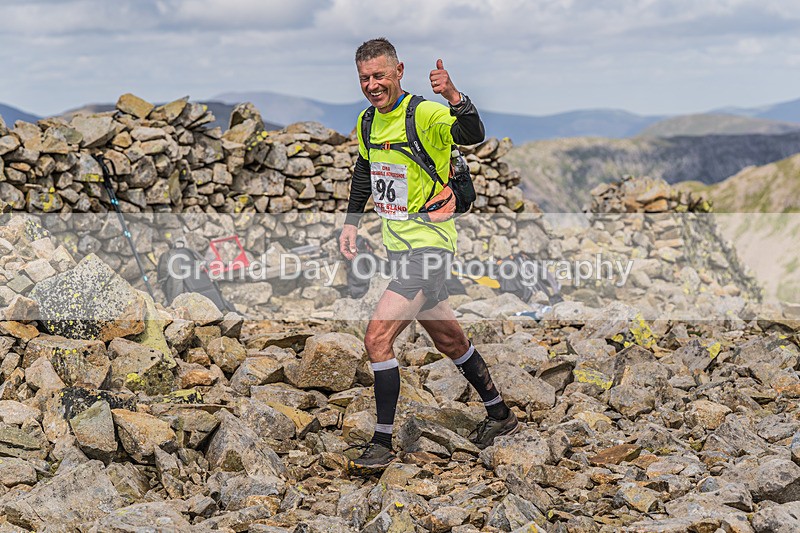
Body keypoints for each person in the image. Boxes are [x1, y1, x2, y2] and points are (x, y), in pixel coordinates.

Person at [339, 38, 519, 475]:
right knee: (449, 340)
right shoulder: (367, 121)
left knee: (376, 339)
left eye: (380, 75)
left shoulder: (424, 114)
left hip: (431, 248)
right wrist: (350, 222)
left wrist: (454, 96)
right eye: (365, 78)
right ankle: (500, 414)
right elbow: (365, 171)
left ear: (399, 71)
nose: (372, 85)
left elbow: (472, 135)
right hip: (400, 249)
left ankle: (381, 443)